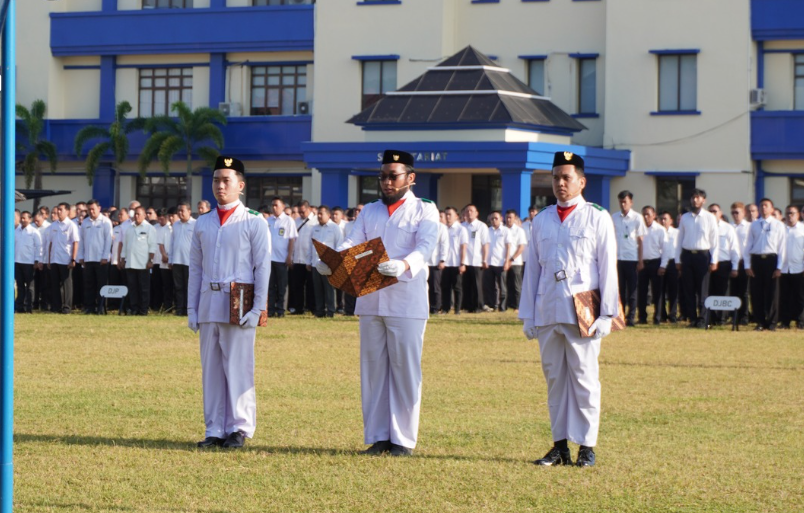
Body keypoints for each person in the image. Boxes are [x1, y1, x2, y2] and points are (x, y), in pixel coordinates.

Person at [326, 149, 438, 457]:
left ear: (410, 178)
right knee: (373, 370)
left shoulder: (424, 209)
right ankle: (378, 436)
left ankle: (402, 439)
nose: (387, 182)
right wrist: (335, 259)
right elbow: (353, 240)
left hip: (406, 299)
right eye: (383, 176)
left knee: (404, 369)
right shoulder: (371, 210)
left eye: (393, 176)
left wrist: (404, 264)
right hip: (371, 297)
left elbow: (426, 245)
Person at [520, 151, 617, 468]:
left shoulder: (597, 217)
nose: (560, 183)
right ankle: (559, 445)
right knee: (555, 379)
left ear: (581, 182)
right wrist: (527, 315)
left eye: (567, 177)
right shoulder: (542, 219)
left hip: (583, 307)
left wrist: (608, 314)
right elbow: (532, 270)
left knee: (585, 378)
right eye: (555, 177)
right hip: (548, 305)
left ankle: (586, 446)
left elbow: (607, 267)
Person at [188, 156, 270, 449]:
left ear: (241, 185)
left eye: (226, 180)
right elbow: (195, 268)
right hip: (209, 301)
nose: (220, 186)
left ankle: (239, 428)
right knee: (211, 370)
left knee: (238, 367)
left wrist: (259, 308)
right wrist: (191, 308)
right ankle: (214, 428)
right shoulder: (203, 222)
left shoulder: (253, 220)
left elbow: (263, 267)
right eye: (216, 180)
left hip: (239, 302)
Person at [674, 189, 719, 328]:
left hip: (702, 255)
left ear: (703, 200)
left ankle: (703, 319)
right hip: (687, 255)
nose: (695, 200)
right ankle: (692, 319)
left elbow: (714, 241)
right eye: (693, 197)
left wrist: (714, 260)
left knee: (702, 290)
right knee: (689, 289)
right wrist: (677, 259)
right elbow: (679, 239)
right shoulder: (685, 218)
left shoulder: (709, 217)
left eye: (698, 198)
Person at [745, 198, 786, 331]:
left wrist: (779, 267)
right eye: (761, 206)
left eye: (766, 206)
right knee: (756, 292)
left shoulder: (778, 225)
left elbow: (782, 247)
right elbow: (748, 245)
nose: (763, 208)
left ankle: (772, 321)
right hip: (757, 260)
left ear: (772, 209)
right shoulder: (754, 225)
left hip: (771, 260)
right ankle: (760, 321)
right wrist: (747, 265)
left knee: (772, 292)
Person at [613, 191, 646, 326]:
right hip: (618, 258)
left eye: (625, 202)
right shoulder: (614, 217)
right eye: (621, 201)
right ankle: (620, 315)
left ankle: (631, 317)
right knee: (619, 289)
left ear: (631, 202)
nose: (623, 204)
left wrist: (640, 260)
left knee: (632, 290)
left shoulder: (637, 218)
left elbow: (641, 240)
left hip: (631, 259)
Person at [78, 199, 113, 315]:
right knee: (89, 284)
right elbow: (81, 240)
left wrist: (105, 256)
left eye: (93, 209)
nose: (91, 211)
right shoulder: (85, 222)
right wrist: (81, 256)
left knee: (101, 285)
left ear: (99, 208)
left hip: (101, 259)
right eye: (89, 209)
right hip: (88, 258)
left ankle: (101, 307)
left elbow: (108, 240)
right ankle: (89, 307)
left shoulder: (105, 222)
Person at [707, 204, 740, 325]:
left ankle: (722, 318)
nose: (712, 213)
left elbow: (734, 248)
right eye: (710, 211)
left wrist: (735, 267)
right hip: (708, 264)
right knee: (709, 291)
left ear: (720, 213)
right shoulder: (705, 227)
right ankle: (711, 318)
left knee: (722, 291)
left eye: (715, 211)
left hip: (723, 264)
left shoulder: (727, 228)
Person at [121, 206, 157, 316]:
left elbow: (152, 246)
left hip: (143, 263)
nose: (136, 216)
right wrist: (122, 258)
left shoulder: (149, 228)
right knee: (132, 288)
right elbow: (125, 245)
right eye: (135, 214)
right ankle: (134, 309)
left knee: (144, 288)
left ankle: (143, 309)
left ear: (144, 215)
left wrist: (150, 260)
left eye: (139, 214)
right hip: (130, 262)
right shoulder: (129, 228)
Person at [308, 205, 342, 318]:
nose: (319, 216)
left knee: (329, 289)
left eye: (321, 214)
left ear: (328, 215)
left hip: (329, 265)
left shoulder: (334, 228)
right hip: (316, 263)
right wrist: (309, 261)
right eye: (318, 213)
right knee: (317, 288)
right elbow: (310, 245)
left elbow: (339, 245)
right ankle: (319, 311)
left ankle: (330, 311)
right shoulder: (314, 228)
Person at [46, 202, 80, 314]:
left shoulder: (71, 225)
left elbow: (75, 242)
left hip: (65, 259)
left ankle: (67, 307)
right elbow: (51, 243)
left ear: (67, 211)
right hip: (54, 258)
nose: (58, 212)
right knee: (54, 284)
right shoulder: (53, 225)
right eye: (58, 209)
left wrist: (73, 259)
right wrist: (49, 259)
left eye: (61, 209)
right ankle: (56, 307)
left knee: (67, 284)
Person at [267, 196, 298, 318]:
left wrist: (289, 256)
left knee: (282, 287)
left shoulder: (288, 221)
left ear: (283, 207)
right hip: (269, 258)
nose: (274, 208)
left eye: (276, 205)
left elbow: (292, 239)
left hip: (282, 259)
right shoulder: (268, 220)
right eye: (272, 205)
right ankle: (270, 309)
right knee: (270, 286)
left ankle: (281, 310)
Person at [637, 206, 666, 325]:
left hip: (655, 263)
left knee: (657, 292)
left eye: (648, 214)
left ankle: (657, 317)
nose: (645, 217)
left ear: (654, 215)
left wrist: (663, 265)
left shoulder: (660, 230)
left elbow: (665, 249)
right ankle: (642, 317)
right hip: (642, 263)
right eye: (643, 214)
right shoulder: (639, 229)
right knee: (642, 291)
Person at [289, 200, 316, 315]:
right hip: (297, 258)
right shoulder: (296, 221)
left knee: (311, 286)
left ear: (308, 209)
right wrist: (291, 257)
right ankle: (298, 308)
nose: (301, 214)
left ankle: (311, 307)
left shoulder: (315, 221)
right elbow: (292, 240)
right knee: (297, 285)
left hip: (309, 259)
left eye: (303, 211)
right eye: (299, 212)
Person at [780, 205, 804, 329]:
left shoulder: (802, 229)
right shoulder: (781, 229)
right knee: (784, 296)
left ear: (798, 215)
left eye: (792, 213)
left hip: (799, 268)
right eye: (788, 213)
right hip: (783, 268)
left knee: (799, 296)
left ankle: (801, 321)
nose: (790, 216)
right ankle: (785, 322)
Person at [461, 204, 489, 313]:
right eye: (467, 211)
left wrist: (484, 259)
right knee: (466, 284)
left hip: (477, 260)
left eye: (471, 211)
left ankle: (478, 306)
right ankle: (468, 306)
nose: (469, 213)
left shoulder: (481, 226)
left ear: (477, 213)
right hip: (465, 261)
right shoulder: (462, 226)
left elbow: (485, 244)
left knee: (477, 285)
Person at [170, 201, 196, 317]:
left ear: (189, 211)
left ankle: (189, 309)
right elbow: (172, 243)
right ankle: (179, 309)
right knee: (178, 287)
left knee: (189, 287)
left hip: (190, 262)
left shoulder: (195, 224)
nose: (180, 213)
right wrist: (171, 259)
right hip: (177, 260)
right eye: (178, 211)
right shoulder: (175, 225)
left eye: (182, 210)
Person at [441, 206, 468, 315]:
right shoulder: (443, 228)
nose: (447, 217)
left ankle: (457, 309)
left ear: (456, 216)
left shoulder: (461, 229)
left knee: (457, 288)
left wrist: (462, 263)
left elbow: (463, 248)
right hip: (445, 263)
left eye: (450, 214)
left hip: (456, 263)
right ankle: (445, 308)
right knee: (445, 287)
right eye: (446, 214)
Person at [14, 211, 42, 314]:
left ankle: (29, 307)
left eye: (24, 218)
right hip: (17, 261)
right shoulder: (16, 231)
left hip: (29, 262)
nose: (22, 220)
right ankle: (19, 307)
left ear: (30, 219)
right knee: (20, 286)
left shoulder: (34, 232)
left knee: (30, 286)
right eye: (21, 218)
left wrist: (37, 260)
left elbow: (39, 247)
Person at [483, 211, 511, 312]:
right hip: (489, 262)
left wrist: (507, 261)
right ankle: (492, 305)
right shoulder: (487, 231)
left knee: (502, 286)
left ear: (501, 219)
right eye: (492, 219)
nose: (494, 220)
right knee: (490, 286)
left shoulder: (505, 231)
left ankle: (502, 307)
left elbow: (508, 247)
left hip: (501, 262)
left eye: (496, 218)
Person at [730, 202, 751, 325]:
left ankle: (744, 316)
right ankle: (734, 315)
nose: (735, 215)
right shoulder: (729, 227)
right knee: (733, 290)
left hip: (744, 262)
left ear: (743, 213)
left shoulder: (749, 227)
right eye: (733, 212)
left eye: (737, 212)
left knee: (744, 292)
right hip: (732, 262)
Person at [658, 211, 680, 323]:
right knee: (660, 290)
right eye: (661, 219)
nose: (663, 221)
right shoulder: (657, 232)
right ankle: (662, 315)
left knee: (673, 290)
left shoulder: (677, 233)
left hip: (672, 263)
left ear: (671, 221)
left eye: (665, 219)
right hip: (659, 262)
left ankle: (673, 314)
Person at [504, 210, 528, 311]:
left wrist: (512, 259)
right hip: (503, 262)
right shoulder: (503, 229)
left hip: (515, 262)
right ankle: (506, 304)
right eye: (507, 217)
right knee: (505, 284)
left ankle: (518, 306)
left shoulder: (519, 231)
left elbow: (521, 247)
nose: (508, 219)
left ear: (515, 219)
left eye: (511, 217)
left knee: (516, 285)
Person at [426, 211, 449, 315]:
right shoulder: (425, 226)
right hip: (425, 262)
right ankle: (427, 306)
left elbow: (444, 244)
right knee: (425, 286)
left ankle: (436, 307)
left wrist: (442, 259)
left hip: (436, 262)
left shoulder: (441, 227)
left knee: (435, 287)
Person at [156, 208, 174, 313]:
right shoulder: (164, 229)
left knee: (176, 286)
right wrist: (164, 255)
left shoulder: (176, 228)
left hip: (176, 262)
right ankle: (167, 307)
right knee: (166, 286)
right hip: (164, 261)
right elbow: (160, 244)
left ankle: (177, 307)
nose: (170, 218)